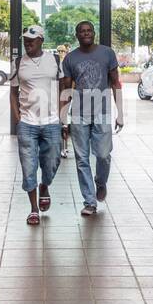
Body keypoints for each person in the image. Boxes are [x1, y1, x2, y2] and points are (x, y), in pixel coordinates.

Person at [59, 20, 121, 217]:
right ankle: (89, 201)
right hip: (78, 114)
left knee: (103, 155)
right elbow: (66, 90)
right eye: (82, 31)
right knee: (81, 159)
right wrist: (62, 117)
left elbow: (115, 83)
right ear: (77, 35)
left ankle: (100, 182)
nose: (86, 33)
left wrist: (120, 112)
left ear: (94, 33)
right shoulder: (70, 59)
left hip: (102, 111)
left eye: (89, 30)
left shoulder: (107, 53)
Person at [10, 25, 62, 226]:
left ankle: (45, 185)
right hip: (28, 123)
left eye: (32, 39)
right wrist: (18, 119)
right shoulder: (17, 62)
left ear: (41, 39)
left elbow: (64, 87)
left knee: (52, 163)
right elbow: (13, 93)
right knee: (28, 166)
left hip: (51, 122)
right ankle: (33, 209)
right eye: (25, 40)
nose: (28, 43)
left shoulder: (54, 60)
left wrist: (61, 115)